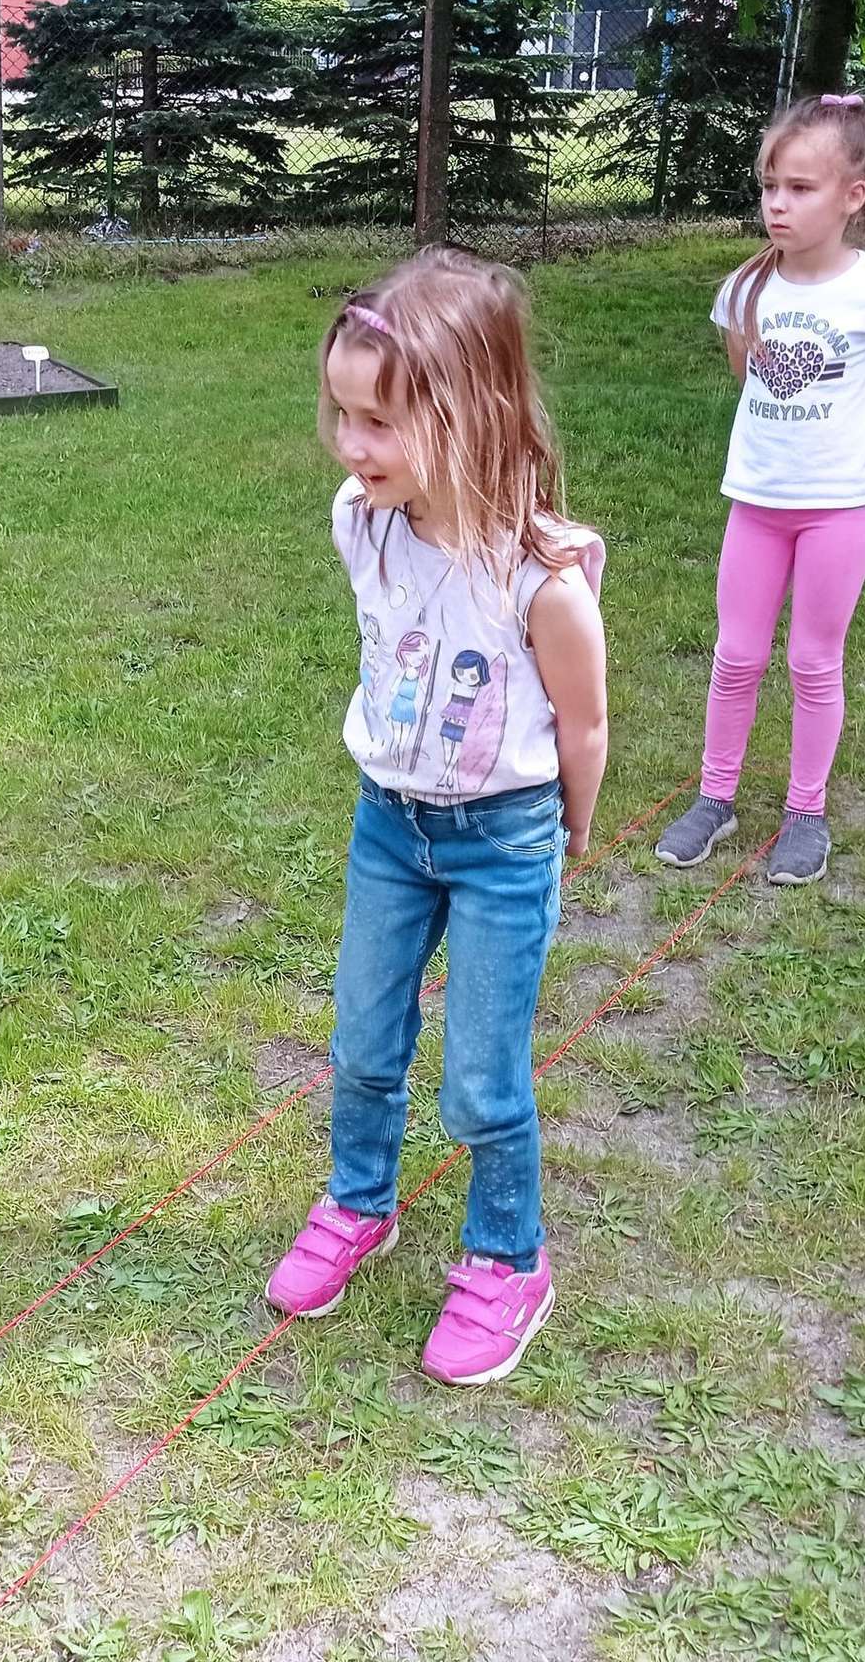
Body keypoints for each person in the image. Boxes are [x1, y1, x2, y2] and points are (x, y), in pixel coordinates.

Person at [263, 248, 608, 1387]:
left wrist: (568, 835)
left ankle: (509, 1259)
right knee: (363, 1040)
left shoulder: (542, 579)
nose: (349, 445)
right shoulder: (362, 522)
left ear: (469, 413)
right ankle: (359, 1201)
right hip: (389, 828)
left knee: (482, 1078)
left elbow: (583, 726)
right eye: (342, 414)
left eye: (379, 421)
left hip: (505, 840)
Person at [655, 92, 865, 887]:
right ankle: (715, 798)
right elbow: (753, 384)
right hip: (758, 505)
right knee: (735, 655)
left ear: (853, 195)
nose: (777, 203)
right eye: (770, 185)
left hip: (841, 508)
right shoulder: (745, 291)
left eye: (800, 188)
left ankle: (807, 812)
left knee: (812, 661)